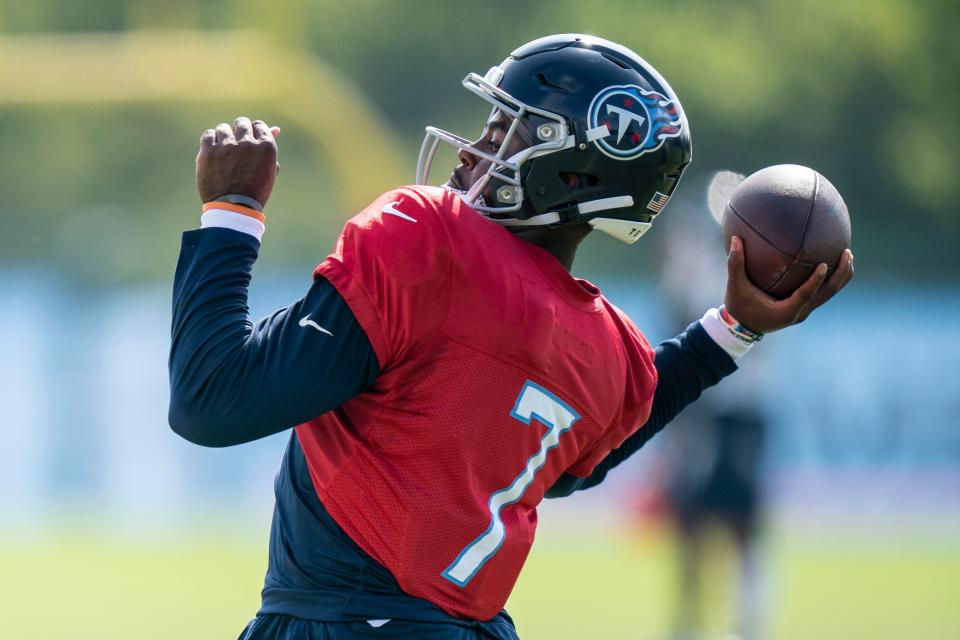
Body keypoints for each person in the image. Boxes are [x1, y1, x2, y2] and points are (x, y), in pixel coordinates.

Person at [169, 34, 853, 640]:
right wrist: (734, 330)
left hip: (346, 620)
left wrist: (233, 212)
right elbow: (584, 460)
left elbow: (213, 399)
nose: (477, 148)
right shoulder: (608, 350)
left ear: (579, 173)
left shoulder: (430, 240)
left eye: (513, 131)